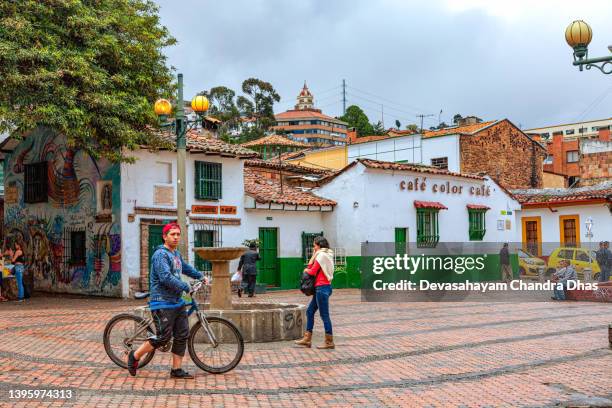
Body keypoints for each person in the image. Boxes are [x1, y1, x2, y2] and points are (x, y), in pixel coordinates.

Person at [127, 223, 203, 379]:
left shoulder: (175, 254)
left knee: (182, 334)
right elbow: (165, 277)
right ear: (165, 236)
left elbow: (185, 268)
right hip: (162, 301)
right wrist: (185, 286)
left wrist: (199, 276)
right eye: (172, 234)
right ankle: (134, 355)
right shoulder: (160, 254)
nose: (176, 237)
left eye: (178, 234)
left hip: (177, 301)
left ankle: (176, 370)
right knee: (163, 337)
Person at [295, 236, 335, 349]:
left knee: (324, 315)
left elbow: (312, 270)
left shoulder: (321, 255)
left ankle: (329, 342)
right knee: (310, 311)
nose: (314, 247)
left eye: (314, 245)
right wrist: (314, 254)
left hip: (321, 288)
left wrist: (305, 270)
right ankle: (307, 339)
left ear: (319, 245)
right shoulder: (327, 254)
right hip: (324, 287)